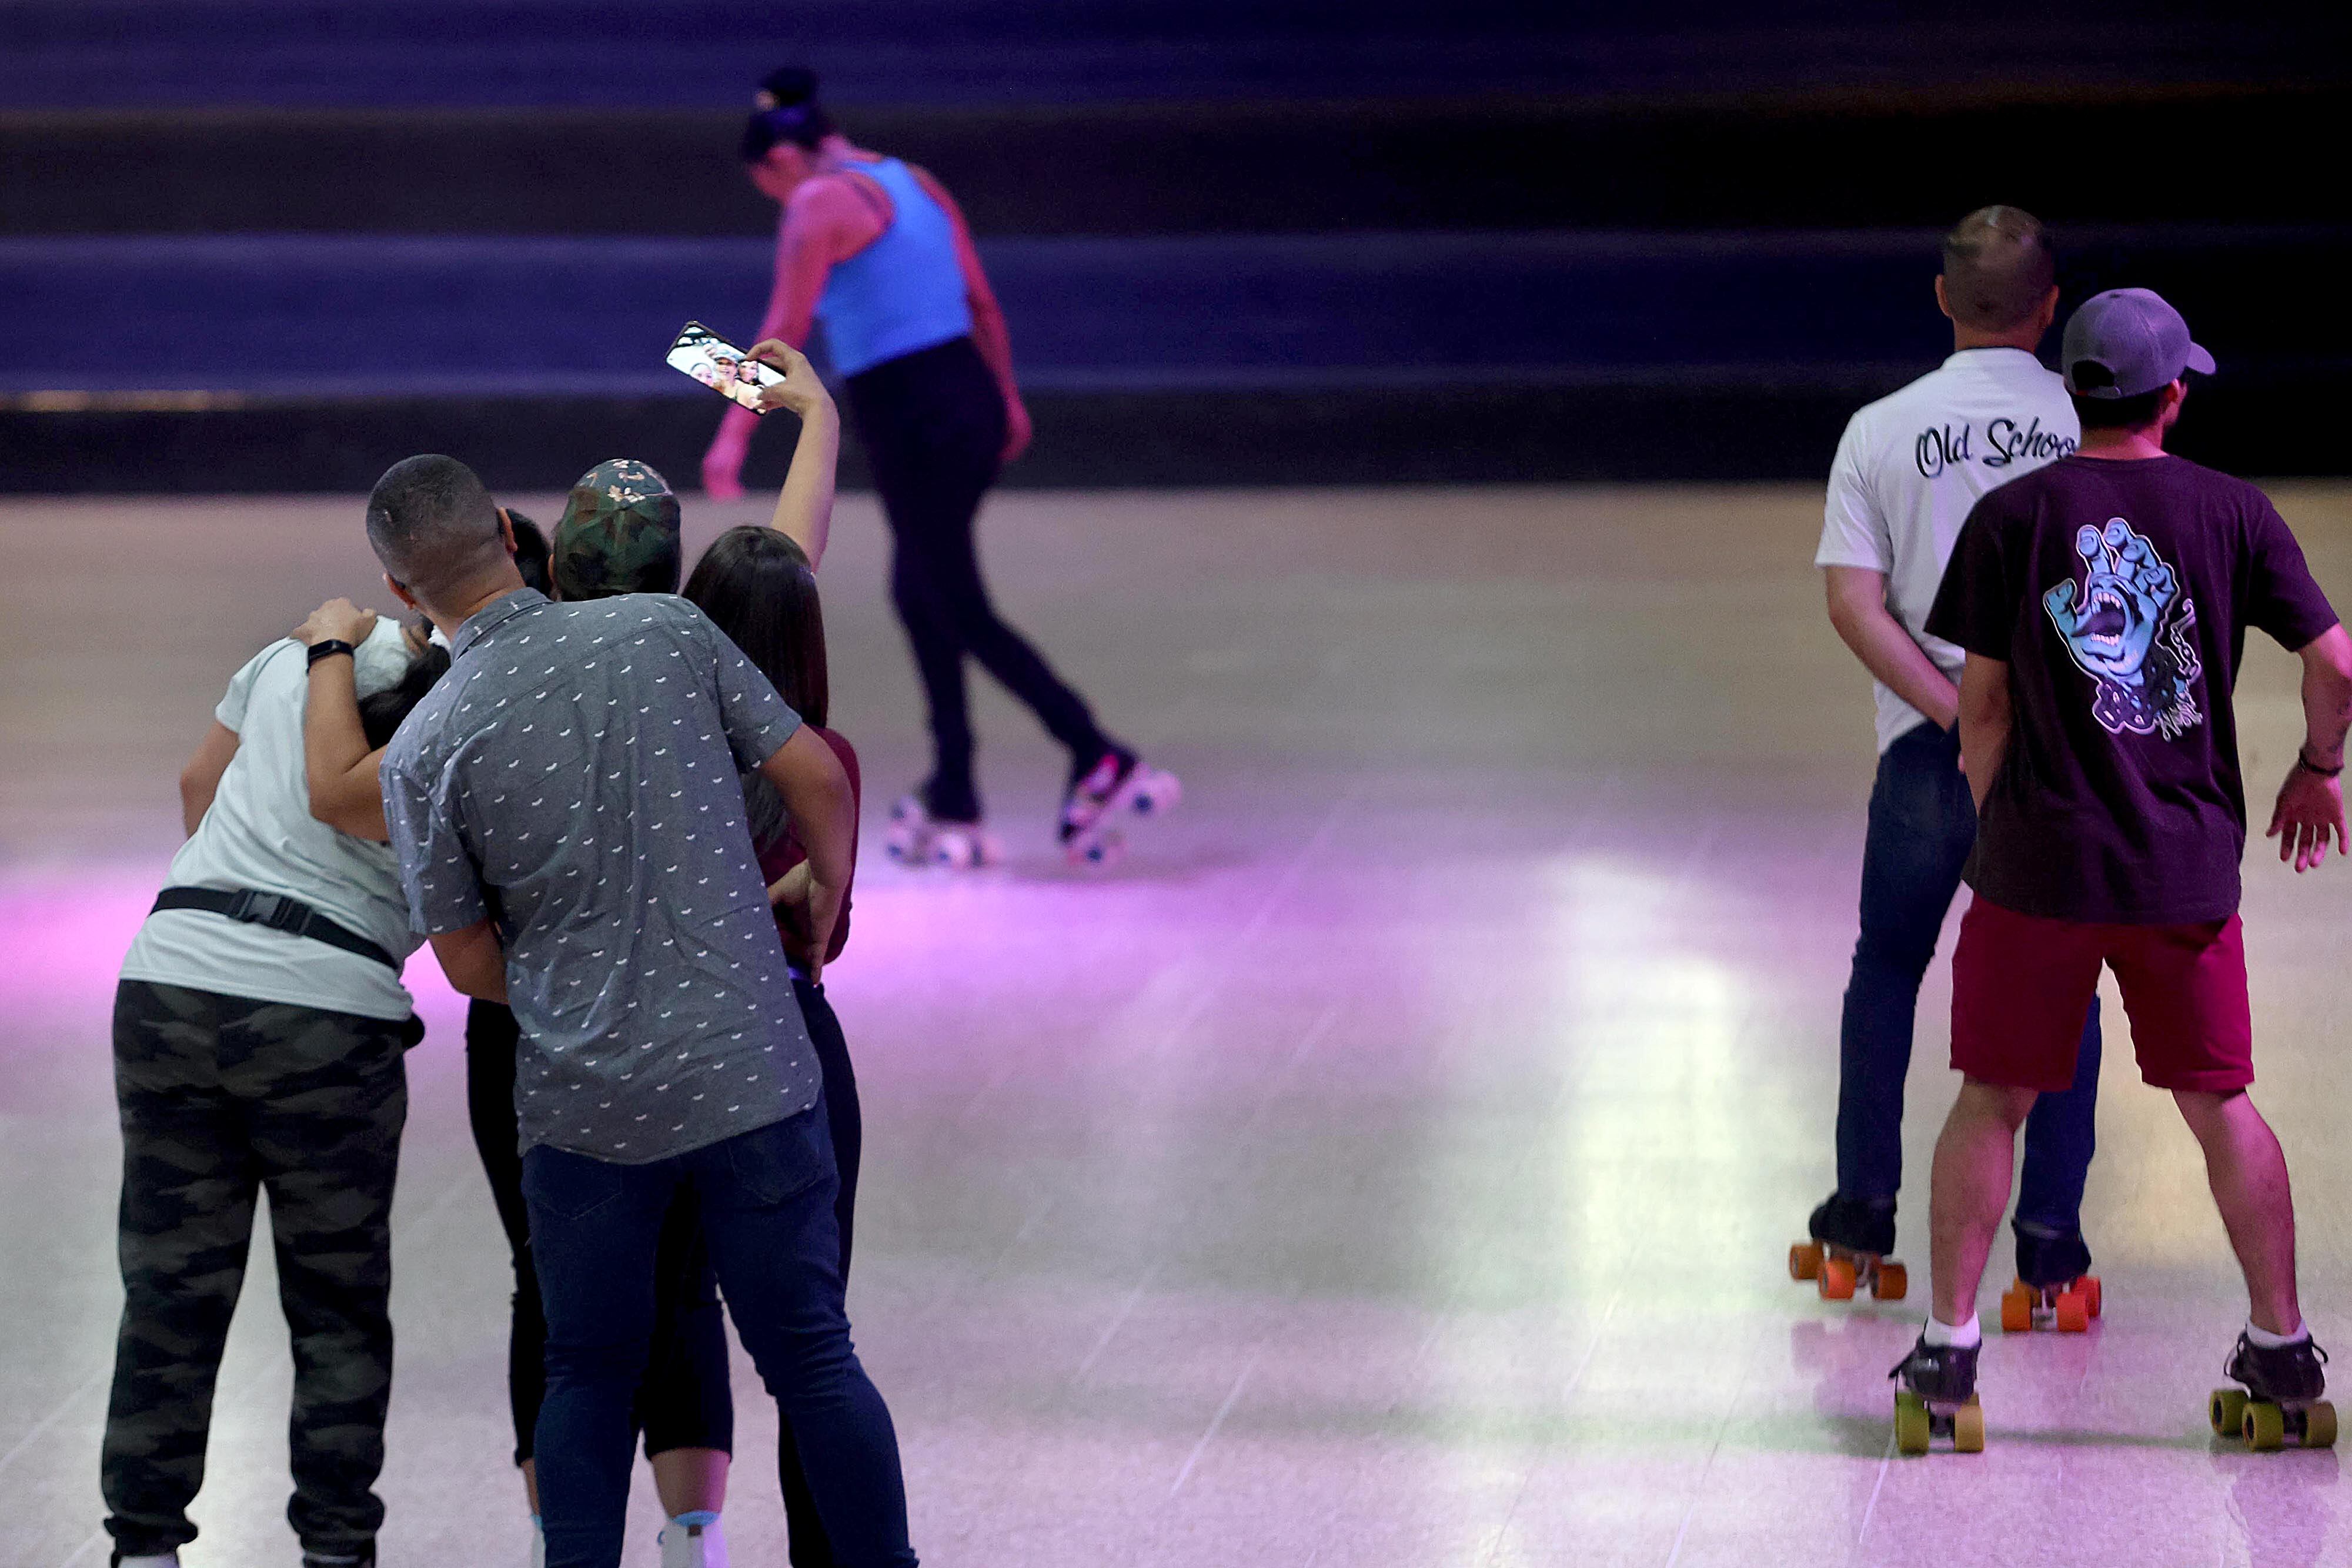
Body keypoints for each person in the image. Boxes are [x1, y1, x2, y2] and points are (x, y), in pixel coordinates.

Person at [362, 453, 917, 1567]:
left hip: (585, 1106)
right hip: (750, 1064)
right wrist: (820, 895)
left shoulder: (423, 746)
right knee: (812, 1356)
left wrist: (582, 990)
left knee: (588, 1370)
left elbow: (468, 963)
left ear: (403, 597)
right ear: (517, 546)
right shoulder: (663, 633)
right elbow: (818, 777)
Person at [1889, 287, 2352, 1449]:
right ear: (2174, 392)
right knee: (2218, 1102)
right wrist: (2315, 765)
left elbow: (1980, 705)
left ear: (2069, 391)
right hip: (2179, 874)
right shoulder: (2232, 510)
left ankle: (1946, 1350)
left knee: (1989, 1097)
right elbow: (2335, 661)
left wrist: (2001, 827)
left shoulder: (2009, 516)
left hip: (2033, 870)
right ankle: (2282, 1345)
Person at [301, 514, 741, 1568]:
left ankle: (564, 1539)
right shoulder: (677, 657)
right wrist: (804, 416)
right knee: (685, 1277)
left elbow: (339, 799)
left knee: (547, 1282)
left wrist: (326, 652)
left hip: (531, 1030)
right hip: (691, 1017)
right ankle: (696, 1540)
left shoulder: (464, 707)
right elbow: (789, 576)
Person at [703, 65, 1178, 867]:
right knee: (924, 597)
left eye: (768, 192)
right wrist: (1007, 400)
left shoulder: (816, 203)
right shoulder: (911, 178)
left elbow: (784, 327)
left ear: (780, 166)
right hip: (964, 403)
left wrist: (730, 435)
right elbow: (981, 299)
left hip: (914, 417)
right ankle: (956, 787)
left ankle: (1096, 751)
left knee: (950, 602)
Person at [99, 602, 447, 1568]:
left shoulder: (297, 649)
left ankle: (142, 1547)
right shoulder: (475, 703)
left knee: (169, 1294)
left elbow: (196, 784)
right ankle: (336, 1550)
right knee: (335, 1305)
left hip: (174, 978)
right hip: (330, 1016)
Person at [1805, 205, 2104, 1310]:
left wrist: (1948, 713)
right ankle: (2052, 1250)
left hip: (1930, 760)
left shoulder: (1879, 430)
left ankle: (1865, 1223)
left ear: (1942, 300)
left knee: (1889, 968)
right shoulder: (2091, 426)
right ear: (2050, 303)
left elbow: (1854, 603)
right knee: (2064, 994)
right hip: (2063, 763)